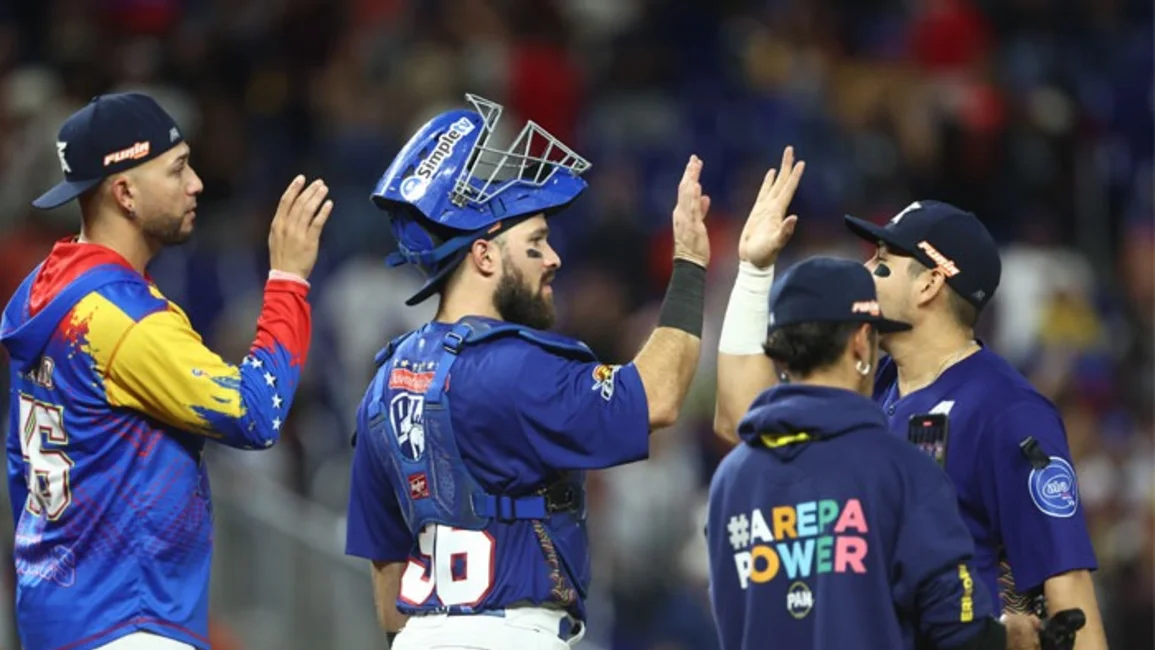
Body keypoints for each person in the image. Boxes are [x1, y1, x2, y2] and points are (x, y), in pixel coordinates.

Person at [344, 94, 709, 649]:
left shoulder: (383, 384)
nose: (554, 258)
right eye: (535, 242)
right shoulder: (516, 367)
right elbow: (657, 397)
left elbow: (386, 569)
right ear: (485, 256)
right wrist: (690, 264)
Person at [712, 147, 1108, 649]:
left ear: (930, 284)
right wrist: (753, 271)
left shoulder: (1006, 411)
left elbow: (1067, 584)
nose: (865, 269)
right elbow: (741, 421)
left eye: (882, 261)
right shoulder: (865, 385)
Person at [0, 92, 332, 650]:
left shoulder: (37, 293)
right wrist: (289, 282)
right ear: (125, 191)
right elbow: (256, 412)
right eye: (177, 168)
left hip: (57, 617)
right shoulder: (119, 319)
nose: (196, 183)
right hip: (129, 620)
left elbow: (19, 467)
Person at [707, 255, 1047, 650]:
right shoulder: (903, 470)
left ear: (780, 354)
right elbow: (960, 631)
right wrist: (1013, 636)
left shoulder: (729, 481)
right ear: (859, 342)